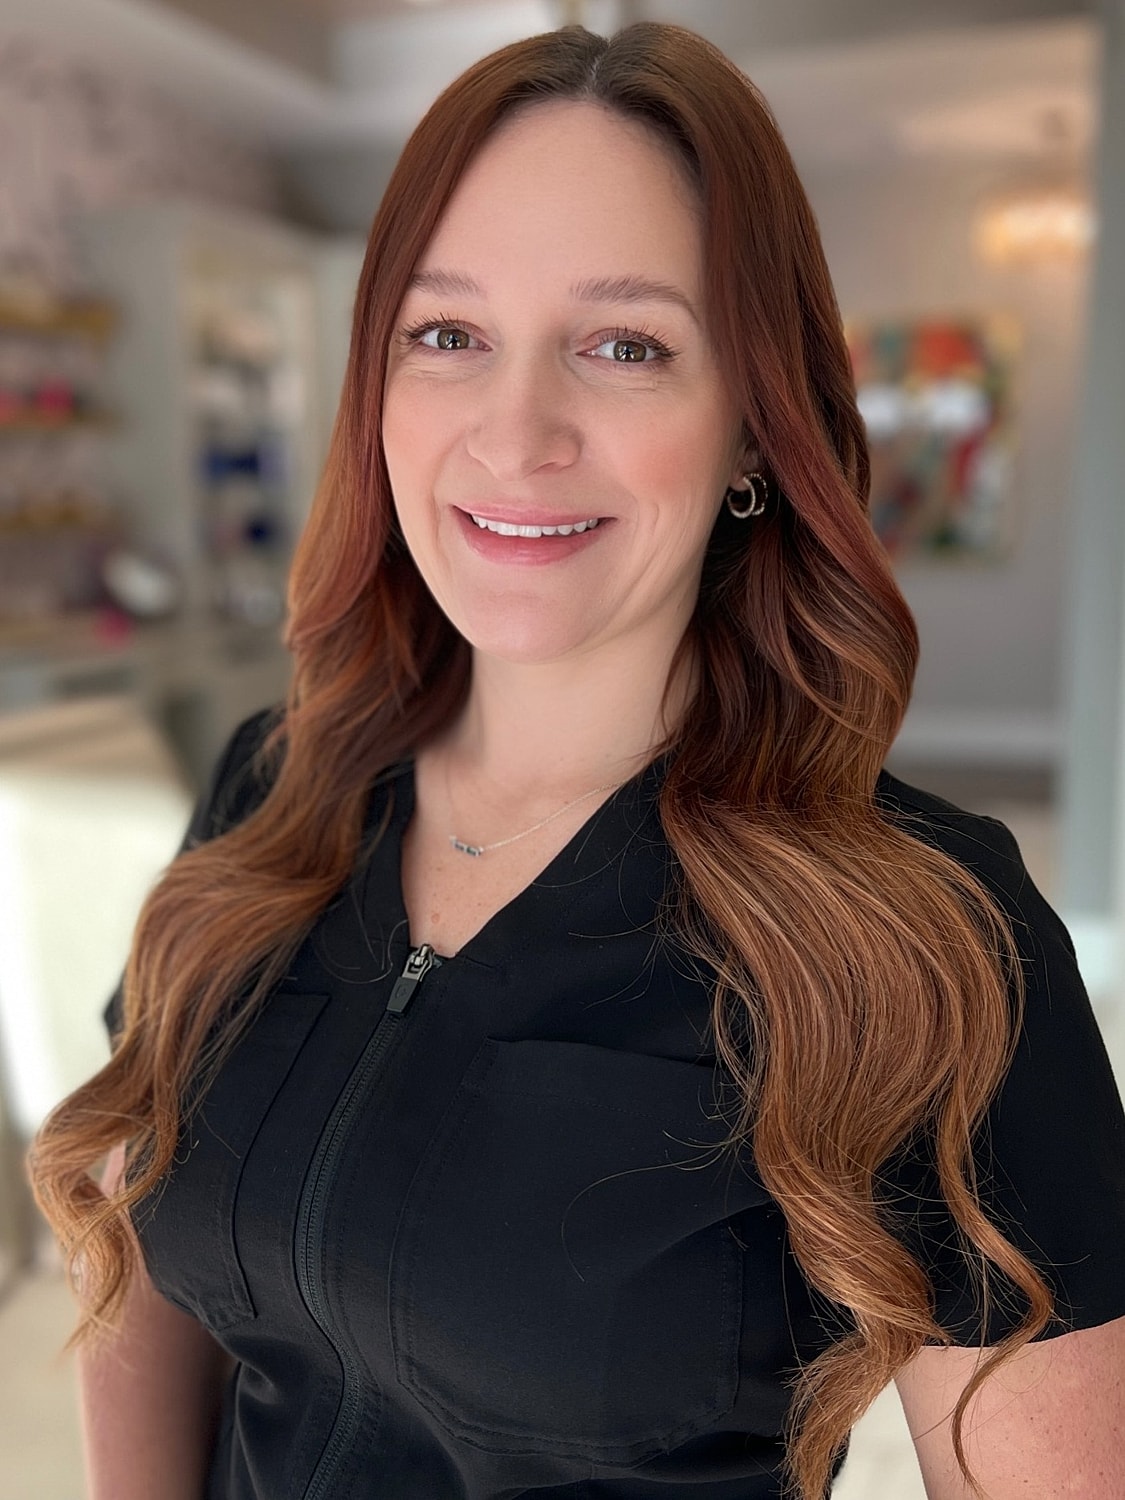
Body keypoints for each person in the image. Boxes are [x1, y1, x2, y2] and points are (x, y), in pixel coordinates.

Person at [28, 21, 1125, 1500]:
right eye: (447, 334)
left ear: (753, 424)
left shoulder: (928, 936)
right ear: (376, 389)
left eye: (624, 345)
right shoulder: (275, 787)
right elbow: (140, 1236)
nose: (515, 429)